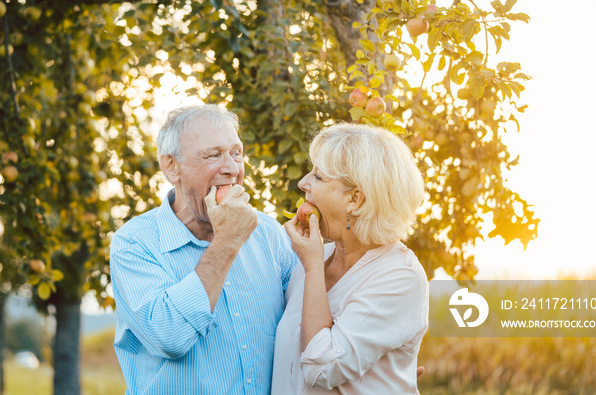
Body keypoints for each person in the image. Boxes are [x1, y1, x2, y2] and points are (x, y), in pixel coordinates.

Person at [109, 104, 297, 394]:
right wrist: (226, 242)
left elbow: (304, 328)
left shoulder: (268, 233)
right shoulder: (134, 243)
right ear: (171, 167)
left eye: (236, 153)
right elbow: (169, 336)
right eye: (214, 155)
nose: (232, 169)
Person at [271, 123, 429, 394]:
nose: (303, 183)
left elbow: (321, 368)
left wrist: (312, 267)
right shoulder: (318, 256)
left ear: (355, 199)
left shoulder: (400, 276)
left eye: (318, 177)